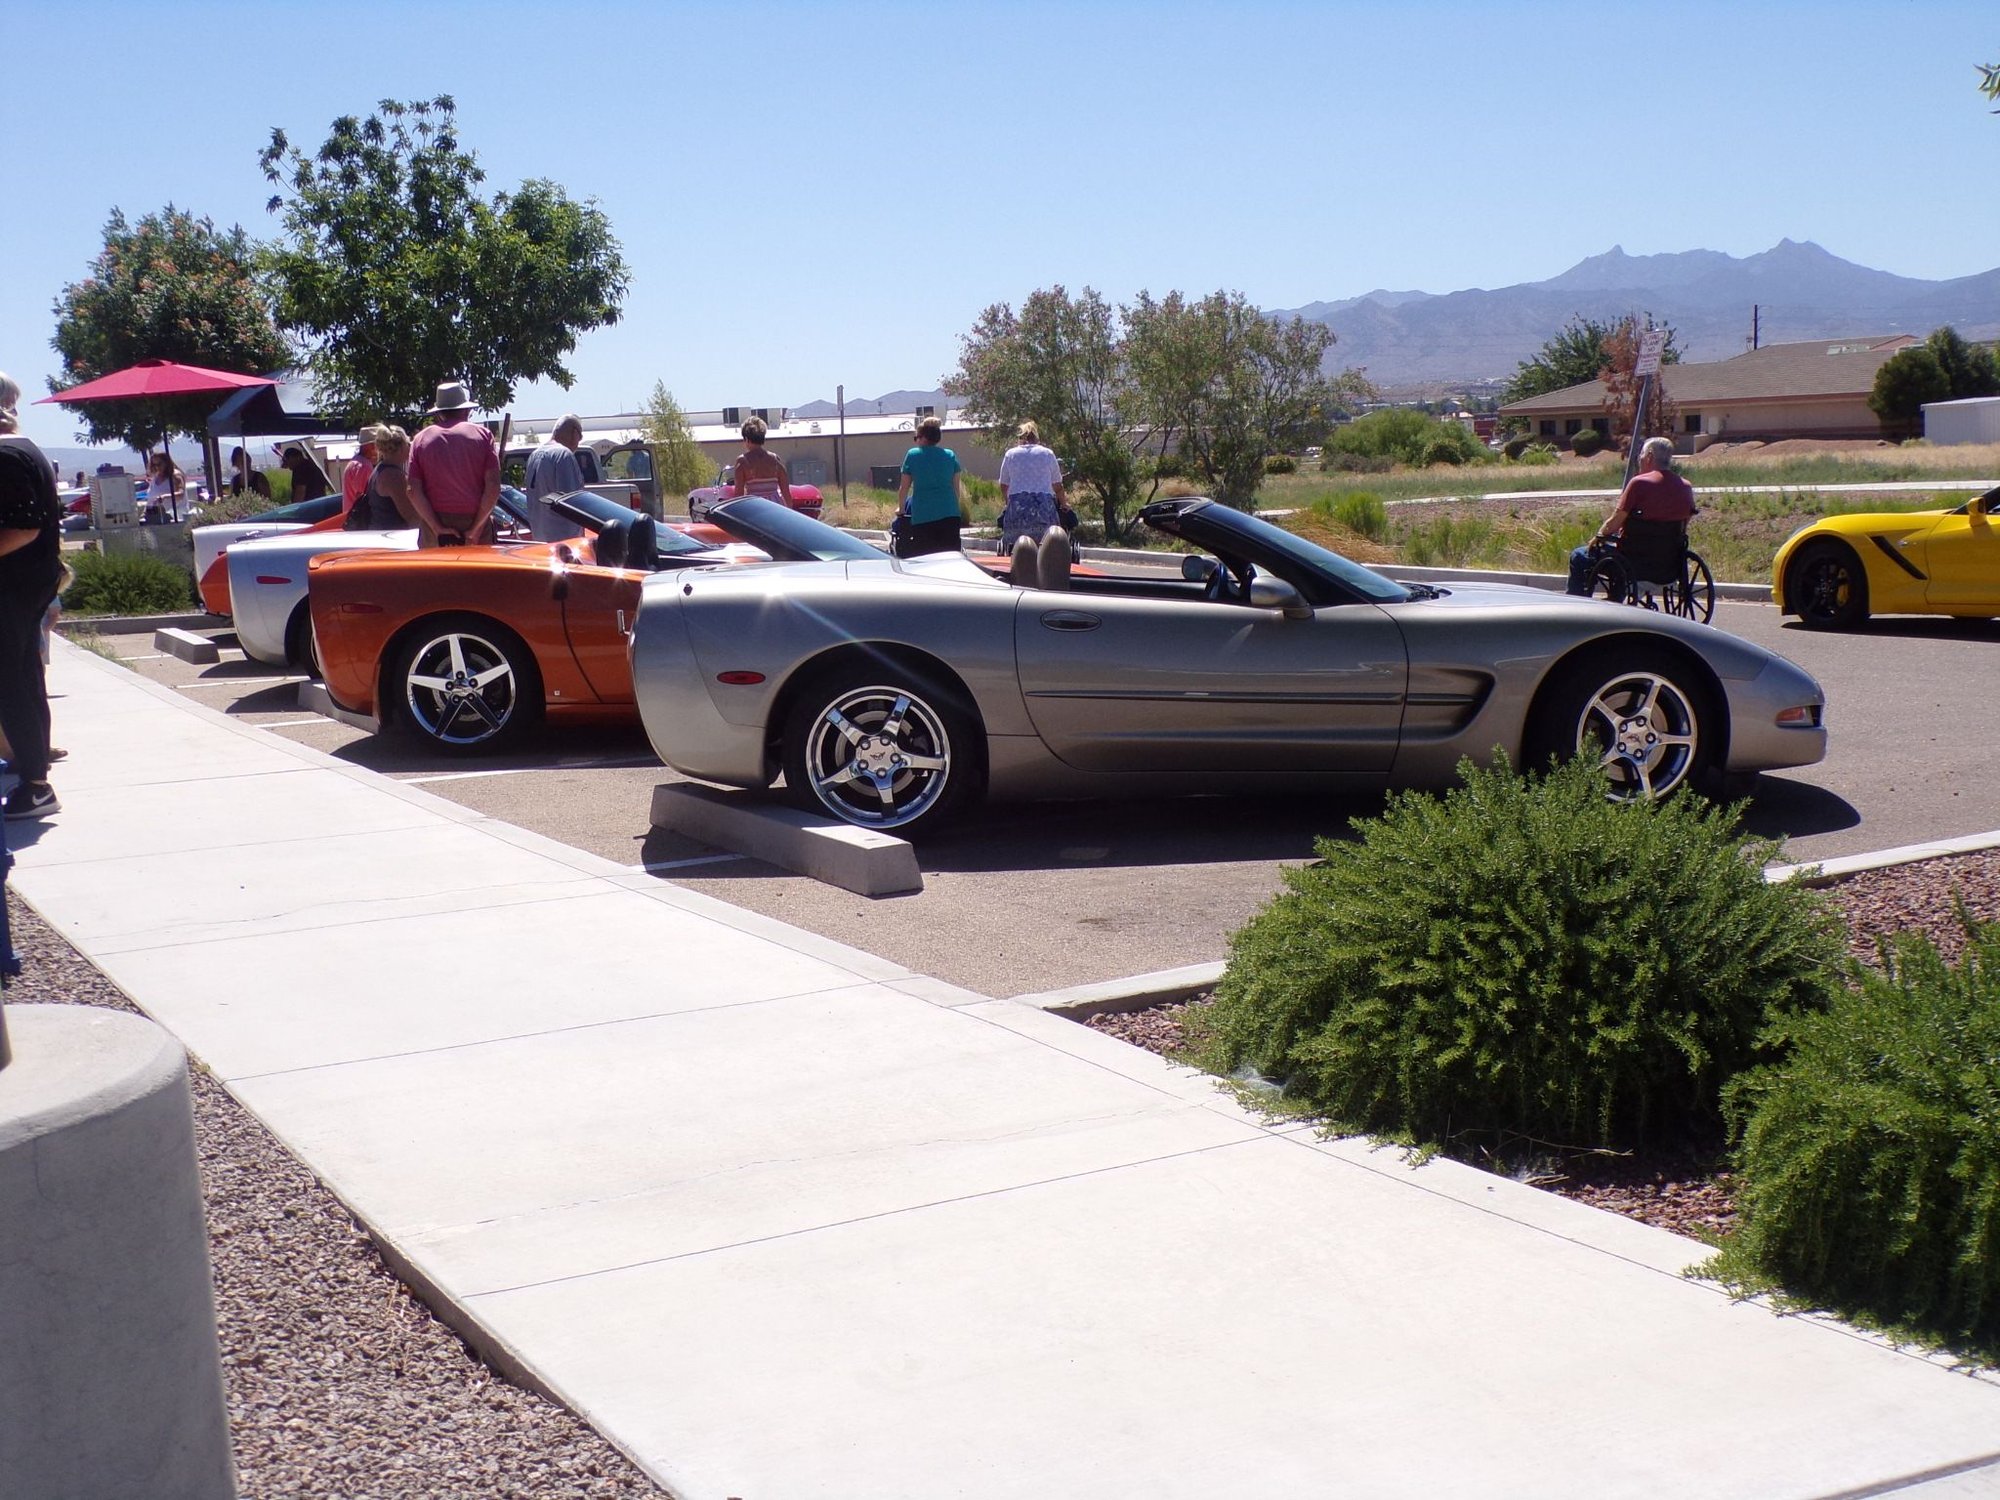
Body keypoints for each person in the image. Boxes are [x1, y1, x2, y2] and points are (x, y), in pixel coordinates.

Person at [0, 371, 64, 820]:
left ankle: (36, 784)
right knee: (23, 677)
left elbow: (23, 527)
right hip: (28, 584)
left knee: (12, 681)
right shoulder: (22, 449)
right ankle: (33, 771)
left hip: (12, 585)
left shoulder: (5, 455)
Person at [1566, 436, 1697, 595]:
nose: (1639, 459)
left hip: (1633, 564)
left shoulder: (1639, 483)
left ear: (1649, 456)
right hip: (1668, 567)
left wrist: (1598, 537)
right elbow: (1684, 524)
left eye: (1641, 454)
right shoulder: (1685, 486)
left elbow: (1614, 523)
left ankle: (1579, 602)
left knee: (1579, 556)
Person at [407, 380, 499, 547]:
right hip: (475, 520)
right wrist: (475, 529)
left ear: (439, 413)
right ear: (466, 410)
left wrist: (437, 528)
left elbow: (413, 491)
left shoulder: (420, 440)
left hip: (434, 525)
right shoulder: (483, 436)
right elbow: (493, 487)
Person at [893, 415, 966, 557]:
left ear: (923, 438)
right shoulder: (950, 455)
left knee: (927, 558)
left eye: (916, 438)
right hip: (950, 514)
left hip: (924, 516)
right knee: (951, 558)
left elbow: (904, 488)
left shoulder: (913, 455)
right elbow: (956, 488)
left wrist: (901, 509)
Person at [997, 420, 1068, 549]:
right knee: (1047, 544)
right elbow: (1057, 485)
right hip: (1043, 508)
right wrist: (1064, 504)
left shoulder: (1010, 455)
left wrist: (1008, 503)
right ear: (1036, 437)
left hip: (1017, 507)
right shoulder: (1047, 454)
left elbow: (1003, 485)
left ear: (1020, 438)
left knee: (1015, 545)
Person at [523, 414, 587, 541]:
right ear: (575, 433)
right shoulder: (564, 455)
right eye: (579, 438)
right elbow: (572, 502)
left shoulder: (534, 455)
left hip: (539, 538)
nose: (578, 444)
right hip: (564, 540)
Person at [343, 426, 415, 530]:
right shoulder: (392, 476)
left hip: (378, 532)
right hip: (392, 535)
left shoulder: (378, 469)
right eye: (407, 443)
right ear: (400, 447)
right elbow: (412, 517)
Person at [730, 416, 792, 504]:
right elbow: (786, 493)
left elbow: (738, 495)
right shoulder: (775, 460)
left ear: (746, 439)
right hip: (776, 507)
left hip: (755, 506)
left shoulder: (742, 461)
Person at [340, 427, 381, 515]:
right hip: (360, 518)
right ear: (370, 445)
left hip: (351, 517)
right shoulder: (364, 466)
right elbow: (363, 498)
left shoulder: (354, 462)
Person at [144, 453, 182, 523]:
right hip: (155, 516)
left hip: (174, 516)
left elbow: (181, 494)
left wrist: (164, 497)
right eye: (154, 465)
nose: (157, 467)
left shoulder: (175, 475)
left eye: (159, 464)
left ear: (166, 463)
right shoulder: (155, 478)